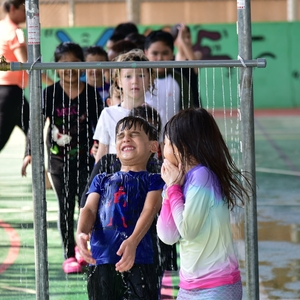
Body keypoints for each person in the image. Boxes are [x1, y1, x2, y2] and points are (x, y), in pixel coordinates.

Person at [21, 42, 103, 274]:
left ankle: (84, 250)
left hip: (87, 162)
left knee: (86, 206)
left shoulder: (91, 94)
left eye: (75, 64)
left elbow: (101, 127)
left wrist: (99, 148)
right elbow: (35, 126)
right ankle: (69, 254)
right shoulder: (49, 94)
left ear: (83, 66)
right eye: (64, 64)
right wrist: (29, 152)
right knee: (65, 207)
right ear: (56, 67)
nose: (69, 69)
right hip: (58, 163)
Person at [157, 108, 251, 300]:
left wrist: (174, 188)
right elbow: (168, 236)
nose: (162, 148)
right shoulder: (183, 180)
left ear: (182, 145)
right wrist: (170, 190)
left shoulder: (202, 177)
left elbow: (188, 230)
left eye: (166, 142)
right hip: (189, 287)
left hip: (217, 287)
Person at [76, 115, 164, 300]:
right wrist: (81, 232)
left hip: (139, 258)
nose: (126, 138)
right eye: (121, 135)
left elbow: (150, 210)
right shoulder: (102, 179)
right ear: (116, 149)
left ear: (153, 147)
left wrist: (132, 241)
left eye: (134, 134)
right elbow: (89, 209)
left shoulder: (153, 180)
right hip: (101, 259)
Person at [93, 48, 155, 164]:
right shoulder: (108, 114)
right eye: (128, 76)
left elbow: (162, 147)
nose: (135, 81)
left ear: (150, 79)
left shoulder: (155, 112)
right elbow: (102, 152)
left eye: (141, 75)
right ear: (118, 82)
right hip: (115, 176)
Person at [144, 30, 195, 129]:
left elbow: (188, 112)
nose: (160, 58)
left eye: (165, 53)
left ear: (172, 54)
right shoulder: (140, 79)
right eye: (155, 53)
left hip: (172, 138)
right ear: (146, 53)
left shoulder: (179, 80)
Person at [0, 0, 28, 151]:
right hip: (10, 94)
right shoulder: (15, 31)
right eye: (24, 9)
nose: (27, 14)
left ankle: (41, 172)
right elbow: (27, 64)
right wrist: (52, 83)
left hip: (7, 92)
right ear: (12, 9)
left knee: (33, 129)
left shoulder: (1, 28)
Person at [170, 23, 202, 107]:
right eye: (183, 37)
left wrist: (181, 38)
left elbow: (193, 62)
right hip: (176, 101)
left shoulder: (197, 55)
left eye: (188, 37)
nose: (187, 40)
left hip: (193, 101)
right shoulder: (170, 60)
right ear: (174, 42)